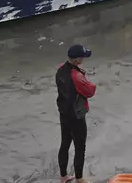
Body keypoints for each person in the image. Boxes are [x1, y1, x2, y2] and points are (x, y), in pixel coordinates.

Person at [55, 44, 97, 183]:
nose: (84, 58)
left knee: (65, 144)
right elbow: (90, 91)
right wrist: (90, 83)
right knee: (80, 148)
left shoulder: (61, 69)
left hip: (64, 113)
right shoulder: (77, 76)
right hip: (76, 116)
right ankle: (79, 178)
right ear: (77, 60)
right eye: (83, 56)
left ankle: (63, 176)